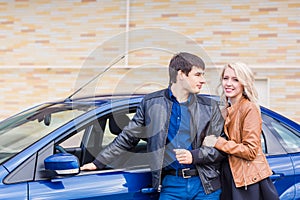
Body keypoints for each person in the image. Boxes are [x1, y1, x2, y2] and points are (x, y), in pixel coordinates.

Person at [81, 52, 225, 199]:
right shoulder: (151, 104)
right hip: (171, 185)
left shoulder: (210, 107)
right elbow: (128, 137)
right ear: (181, 74)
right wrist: (98, 162)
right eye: (198, 75)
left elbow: (222, 148)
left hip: (205, 185)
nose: (203, 80)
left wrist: (194, 156)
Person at [203, 62, 279, 200]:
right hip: (229, 176)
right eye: (225, 78)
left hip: (248, 180)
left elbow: (250, 151)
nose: (228, 83)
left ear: (244, 83)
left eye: (235, 79)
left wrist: (218, 143)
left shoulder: (249, 109)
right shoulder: (224, 110)